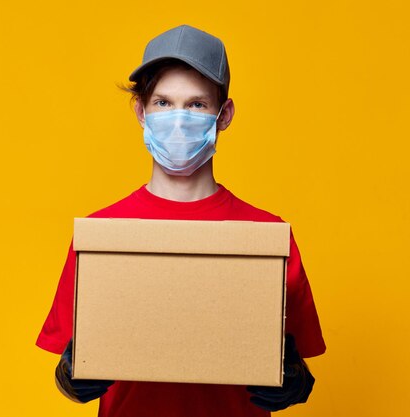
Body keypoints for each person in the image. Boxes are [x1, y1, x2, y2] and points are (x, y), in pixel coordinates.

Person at [36, 24, 326, 417]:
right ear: (141, 112)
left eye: (196, 105)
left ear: (223, 116)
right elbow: (70, 364)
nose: (177, 119)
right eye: (162, 103)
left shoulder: (268, 237)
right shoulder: (101, 235)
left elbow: (297, 356)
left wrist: (295, 380)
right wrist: (70, 377)